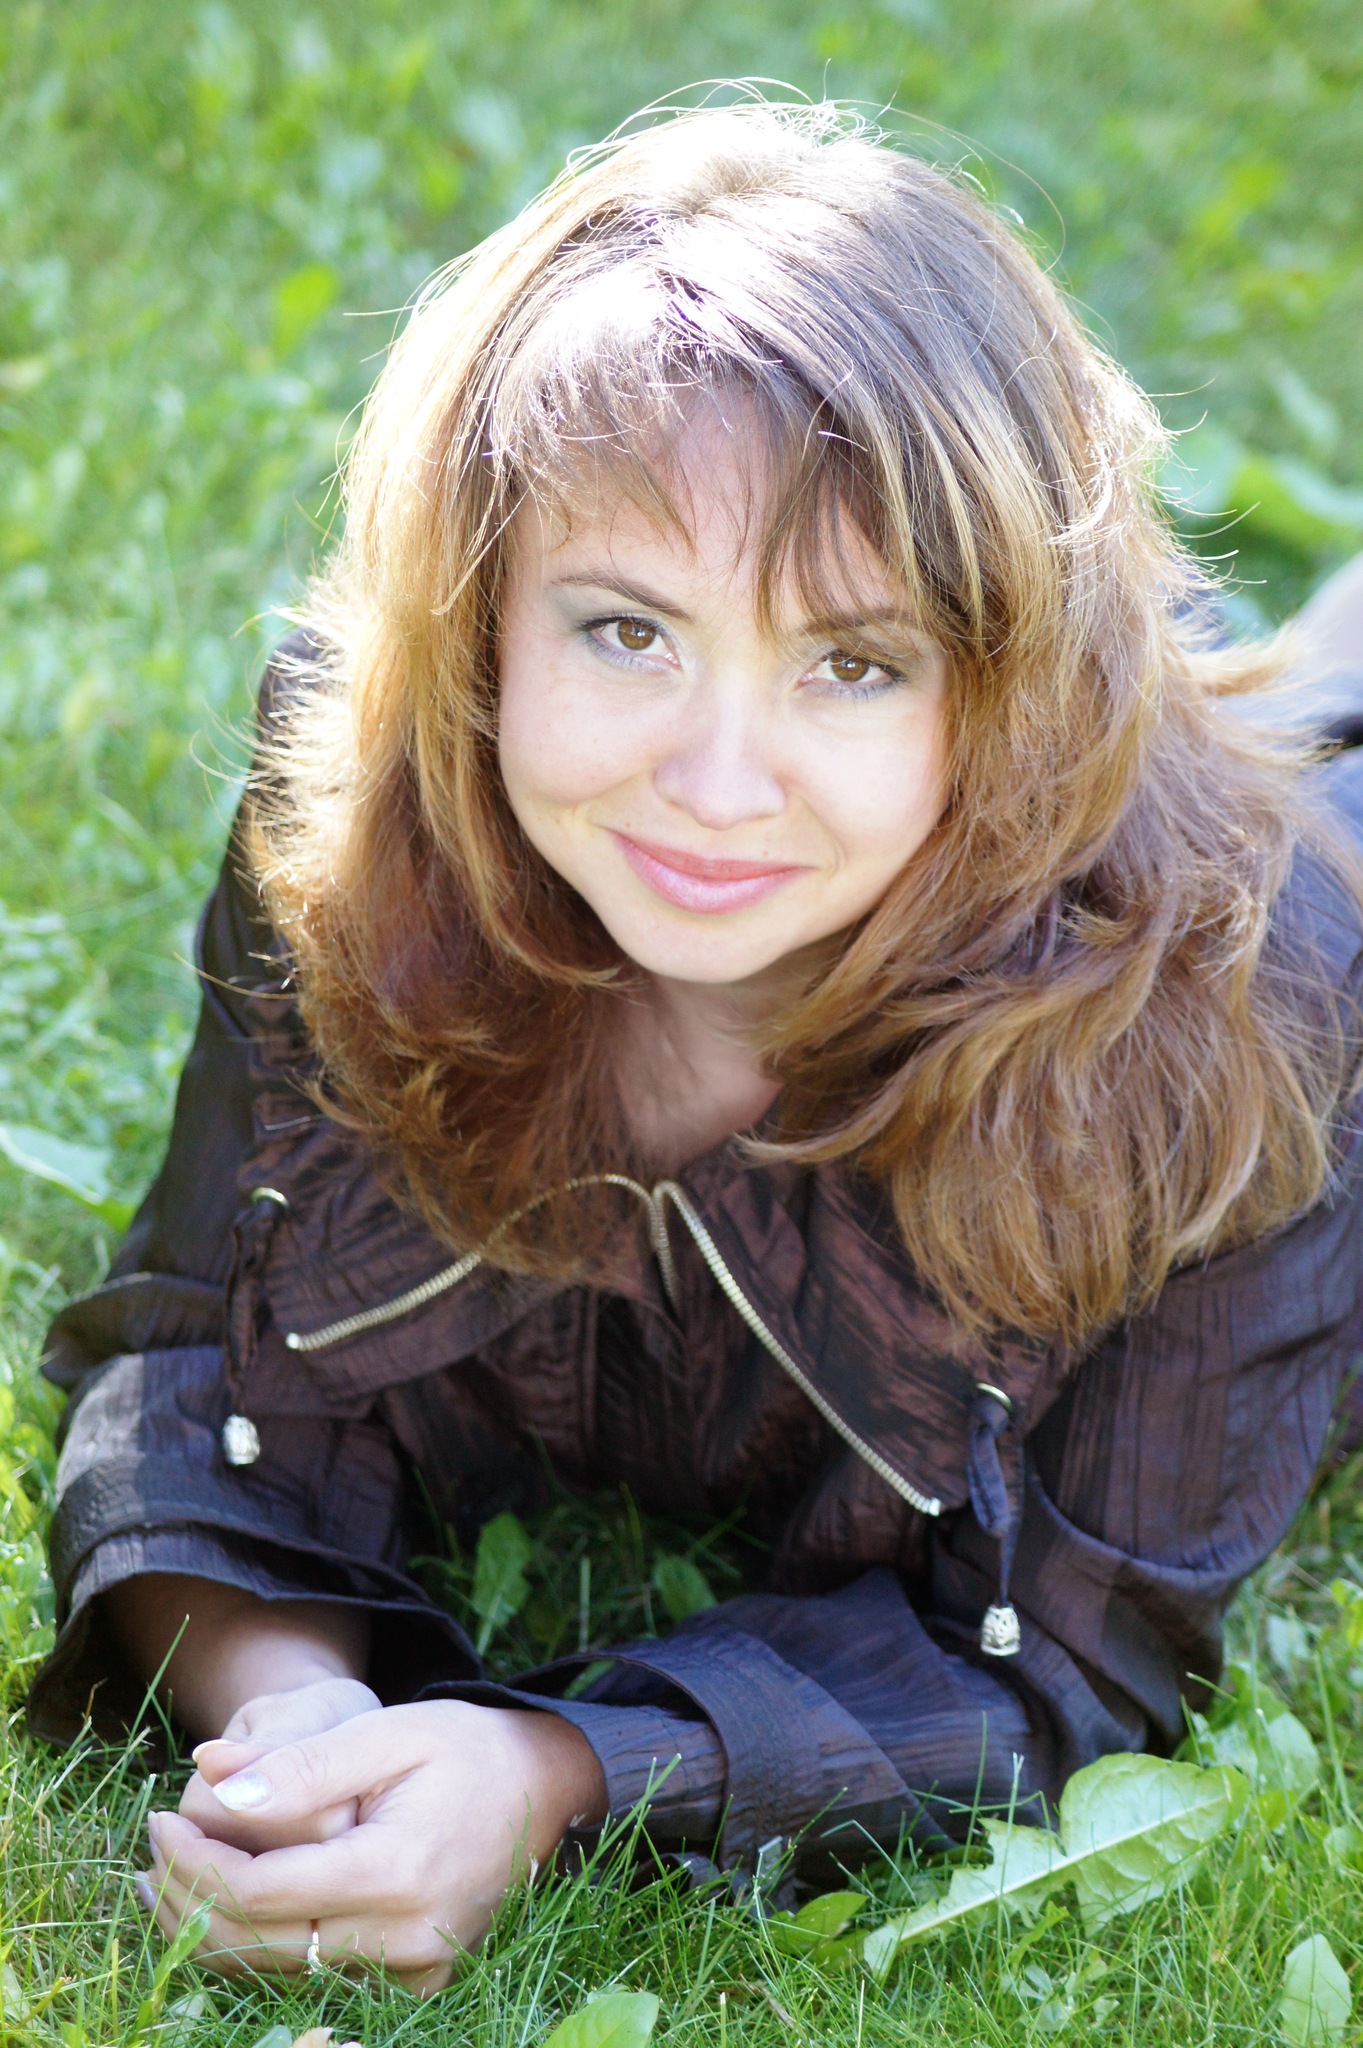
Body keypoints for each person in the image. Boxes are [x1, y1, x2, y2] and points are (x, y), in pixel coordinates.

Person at [28, 101, 1363, 1992]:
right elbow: (192, 1353)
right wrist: (294, 1721)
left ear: (998, 693)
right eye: (628, 632)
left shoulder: (1247, 996)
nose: (716, 784)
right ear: (481, 616)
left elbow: (1073, 1657)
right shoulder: (369, 817)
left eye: (852, 662)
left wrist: (552, 1771)